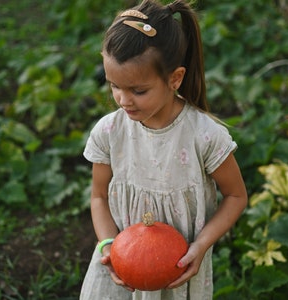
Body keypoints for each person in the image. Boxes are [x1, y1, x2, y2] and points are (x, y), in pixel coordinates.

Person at [80, 0, 248, 299]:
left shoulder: (204, 137)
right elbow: (99, 196)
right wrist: (108, 246)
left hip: (178, 270)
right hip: (121, 264)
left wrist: (201, 245)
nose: (122, 99)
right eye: (114, 85)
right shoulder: (109, 131)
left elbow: (236, 196)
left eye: (138, 90)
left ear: (175, 78)